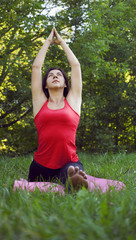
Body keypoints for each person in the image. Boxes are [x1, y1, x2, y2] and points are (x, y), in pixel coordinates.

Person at [28, 27, 88, 191]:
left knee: (71, 172)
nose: (54, 76)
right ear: (45, 84)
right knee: (35, 188)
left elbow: (75, 66)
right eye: (50, 75)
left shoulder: (73, 100)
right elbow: (35, 68)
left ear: (66, 83)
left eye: (59, 75)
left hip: (69, 161)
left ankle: (74, 181)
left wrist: (61, 42)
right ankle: (68, 184)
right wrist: (48, 41)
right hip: (41, 165)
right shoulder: (40, 102)